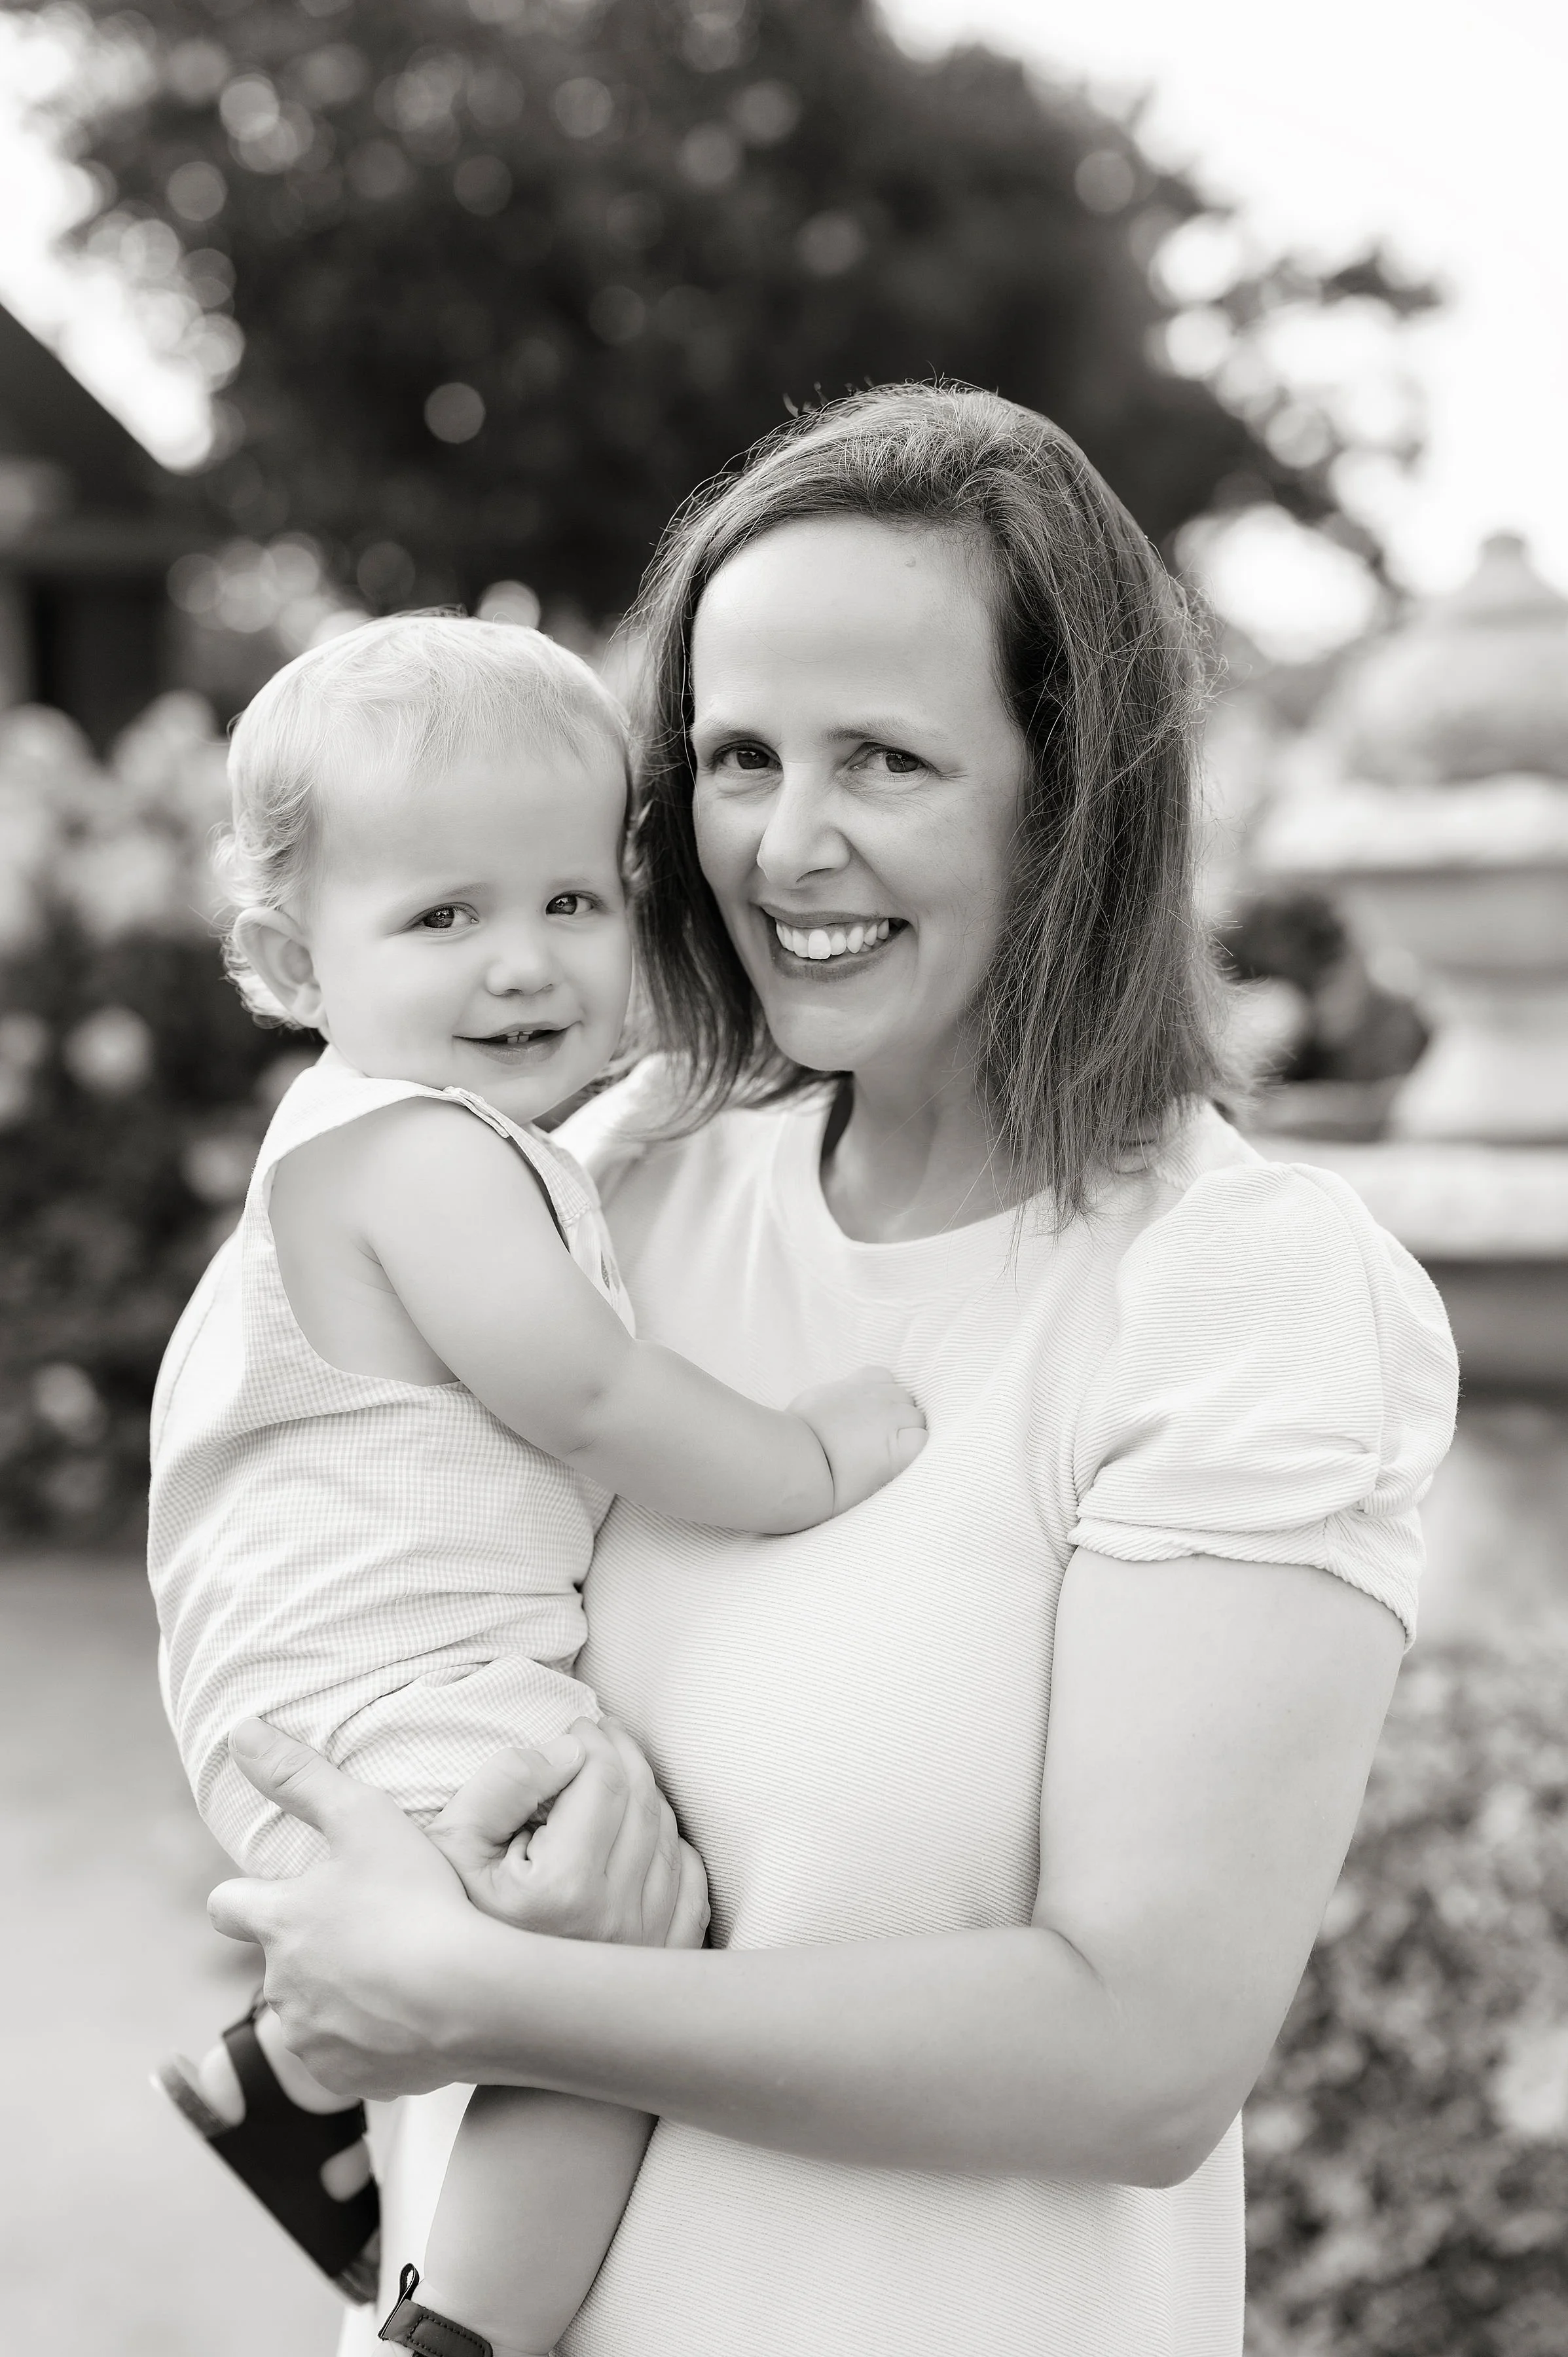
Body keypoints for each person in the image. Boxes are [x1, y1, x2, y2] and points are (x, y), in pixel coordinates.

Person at [207, 384, 1459, 2357]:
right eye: (737, 757)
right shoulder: (604, 1183)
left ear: (1077, 792)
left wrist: (482, 1994)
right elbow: (343, 1563)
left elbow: (1138, 2059)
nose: (789, 843)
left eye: (886, 757)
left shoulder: (1242, 1293)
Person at [146, 614, 927, 2357]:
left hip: (340, 1683)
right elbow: (584, 1386)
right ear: (291, 956)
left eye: (571, 905)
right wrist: (804, 1461)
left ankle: (285, 2087)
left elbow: (545, 1207)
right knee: (617, 1985)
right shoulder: (414, 1160)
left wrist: (642, 1117)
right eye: (443, 918)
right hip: (384, 1691)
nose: (524, 967)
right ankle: (464, 2331)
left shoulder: (419, 1137)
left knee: (570, 1952)